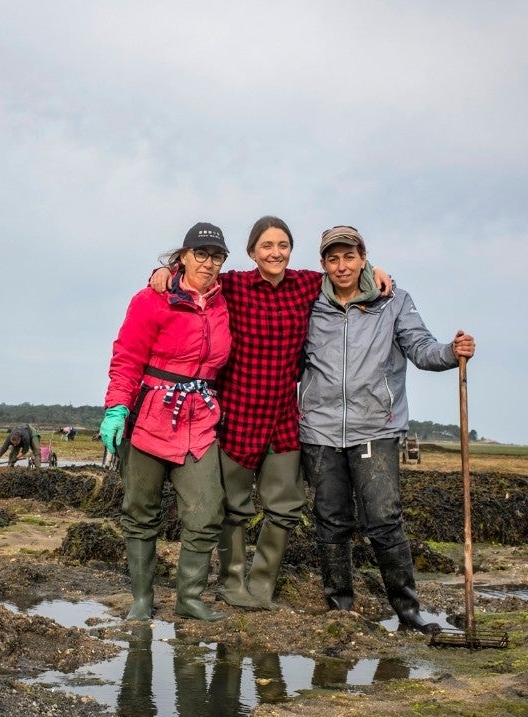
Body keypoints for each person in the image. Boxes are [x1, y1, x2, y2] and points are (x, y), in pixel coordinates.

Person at [149, 216, 392, 610]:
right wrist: (165, 270)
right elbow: (195, 277)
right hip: (239, 416)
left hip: (283, 418)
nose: (275, 252)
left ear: (290, 251)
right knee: (234, 509)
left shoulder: (306, 285)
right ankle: (231, 584)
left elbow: (346, 274)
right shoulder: (236, 286)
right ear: (251, 253)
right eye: (266, 246)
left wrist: (376, 270)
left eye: (282, 245)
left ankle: (260, 585)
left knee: (285, 507)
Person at [299, 225, 475, 633]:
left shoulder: (393, 300)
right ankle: (339, 610)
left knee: (383, 520)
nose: (341, 266)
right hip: (318, 431)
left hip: (375, 427)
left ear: (363, 257)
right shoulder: (308, 300)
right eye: (332, 258)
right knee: (330, 520)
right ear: (323, 263)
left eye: (349, 256)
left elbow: (421, 348)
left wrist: (452, 352)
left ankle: (408, 614)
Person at [101, 222, 232, 622]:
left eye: (217, 257)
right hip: (150, 416)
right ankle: (141, 598)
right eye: (201, 254)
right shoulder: (151, 299)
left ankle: (189, 598)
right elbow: (126, 359)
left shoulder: (229, 300)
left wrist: (376, 273)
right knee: (140, 509)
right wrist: (116, 408)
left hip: (201, 418)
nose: (208, 264)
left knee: (207, 511)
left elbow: (277, 274)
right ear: (183, 256)